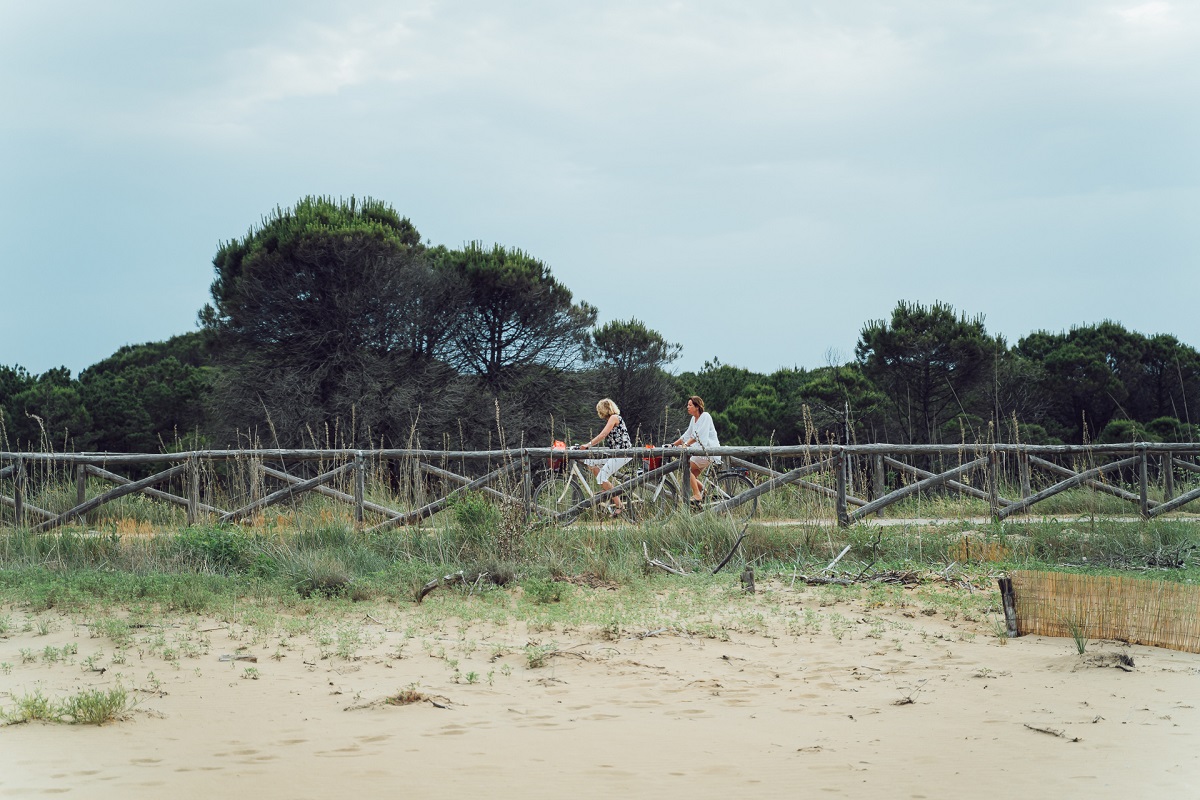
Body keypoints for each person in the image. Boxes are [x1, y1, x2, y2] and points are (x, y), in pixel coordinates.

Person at [578, 398, 633, 514]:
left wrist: (588, 445)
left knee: (601, 477)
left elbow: (603, 435)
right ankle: (606, 488)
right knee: (591, 463)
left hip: (623, 454)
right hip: (615, 453)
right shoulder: (612, 419)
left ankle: (619, 506)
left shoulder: (614, 417)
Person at [672, 395, 721, 506]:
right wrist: (673, 445)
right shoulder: (693, 419)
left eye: (690, 405)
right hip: (700, 452)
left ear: (697, 406)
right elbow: (687, 435)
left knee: (686, 470)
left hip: (708, 451)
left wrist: (685, 445)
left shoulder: (705, 416)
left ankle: (697, 495)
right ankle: (706, 494)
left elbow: (697, 435)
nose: (687, 407)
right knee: (690, 476)